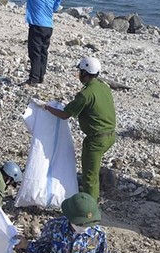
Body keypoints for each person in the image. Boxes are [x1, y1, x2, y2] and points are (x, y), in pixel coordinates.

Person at [34, 57, 116, 201]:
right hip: (110, 136)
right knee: (92, 170)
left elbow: (65, 115)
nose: (79, 74)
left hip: (97, 140)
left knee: (89, 175)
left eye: (80, 71)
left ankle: (90, 207)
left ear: (85, 72)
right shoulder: (103, 86)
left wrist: (46, 107)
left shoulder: (85, 94)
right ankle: (91, 196)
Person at [0, 0, 61, 85]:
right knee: (43, 52)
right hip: (48, 26)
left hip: (36, 24)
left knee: (34, 52)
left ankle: (33, 79)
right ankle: (41, 77)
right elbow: (55, 7)